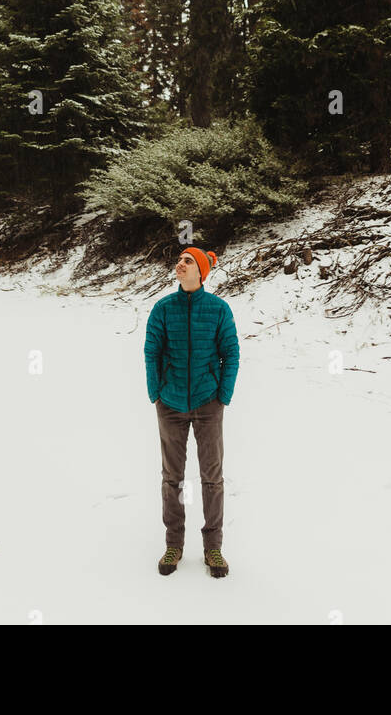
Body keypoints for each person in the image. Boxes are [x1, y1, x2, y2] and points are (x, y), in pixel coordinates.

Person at [143, 241, 239, 578]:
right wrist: (156, 392)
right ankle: (174, 544)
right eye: (179, 259)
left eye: (188, 261)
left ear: (201, 271)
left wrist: (222, 396)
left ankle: (213, 547)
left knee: (212, 477)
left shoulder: (218, 309)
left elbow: (231, 353)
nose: (180, 264)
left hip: (207, 403)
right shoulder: (163, 308)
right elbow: (151, 352)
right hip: (170, 403)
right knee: (172, 478)